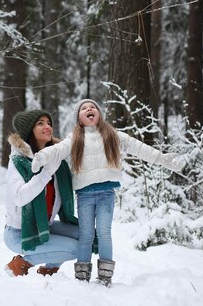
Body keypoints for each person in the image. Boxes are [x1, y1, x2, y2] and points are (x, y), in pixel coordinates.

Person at [31, 99, 184, 286]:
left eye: (93, 107)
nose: (89, 109)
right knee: (86, 234)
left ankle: (104, 277)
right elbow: (57, 150)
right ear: (79, 119)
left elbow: (140, 148)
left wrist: (164, 160)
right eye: (84, 108)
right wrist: (41, 156)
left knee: (104, 233)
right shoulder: (74, 138)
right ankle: (82, 278)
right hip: (85, 195)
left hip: (106, 193)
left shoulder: (112, 134)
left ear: (99, 114)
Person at [4, 109, 80, 278]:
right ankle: (22, 263)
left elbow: (71, 184)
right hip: (19, 233)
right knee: (75, 249)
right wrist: (46, 173)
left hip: (45, 226)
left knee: (86, 234)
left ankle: (48, 270)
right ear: (29, 130)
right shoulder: (18, 162)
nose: (47, 127)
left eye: (48, 123)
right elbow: (20, 197)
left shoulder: (54, 159)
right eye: (40, 123)